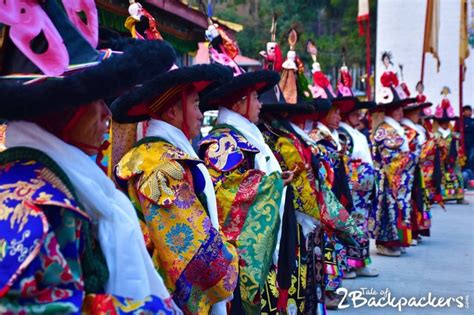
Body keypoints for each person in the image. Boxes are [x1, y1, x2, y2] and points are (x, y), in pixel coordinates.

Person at [0, 1, 179, 313]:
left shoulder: (62, 186)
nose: (107, 114)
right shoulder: (36, 207)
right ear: (62, 111)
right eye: (95, 99)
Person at [112, 64, 240, 314]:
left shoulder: (167, 155)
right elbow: (191, 249)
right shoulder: (159, 165)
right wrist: (230, 258)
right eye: (195, 105)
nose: (201, 114)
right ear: (172, 111)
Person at [198, 23, 292, 314]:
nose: (260, 104)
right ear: (239, 103)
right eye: (255, 97)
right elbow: (226, 197)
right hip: (239, 256)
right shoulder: (222, 142)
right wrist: (273, 182)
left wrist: (276, 180)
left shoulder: (244, 137)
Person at [370, 60, 417, 257]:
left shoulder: (394, 129)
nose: (400, 113)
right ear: (390, 111)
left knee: (397, 211)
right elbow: (390, 158)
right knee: (388, 212)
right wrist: (411, 158)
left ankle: (397, 241)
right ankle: (386, 243)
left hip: (397, 179)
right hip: (388, 179)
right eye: (397, 110)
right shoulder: (384, 130)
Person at [339, 96, 379, 277]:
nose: (358, 117)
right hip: (353, 189)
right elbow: (343, 162)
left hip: (363, 191)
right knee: (349, 226)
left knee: (360, 227)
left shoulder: (356, 133)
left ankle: (360, 262)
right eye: (355, 114)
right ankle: (347, 264)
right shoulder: (343, 134)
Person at [401, 102, 434, 244]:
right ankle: (412, 230)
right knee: (412, 198)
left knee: (418, 197)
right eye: (416, 113)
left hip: (418, 168)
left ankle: (418, 229)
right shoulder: (406, 129)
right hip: (409, 168)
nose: (418, 116)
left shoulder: (417, 128)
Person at [433, 98, 466, 203]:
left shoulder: (454, 135)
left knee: (458, 175)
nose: (446, 124)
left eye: (447, 122)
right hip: (440, 159)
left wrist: (458, 154)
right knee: (441, 176)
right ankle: (443, 196)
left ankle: (459, 196)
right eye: (444, 122)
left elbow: (459, 146)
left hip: (453, 157)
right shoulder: (436, 135)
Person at [462, 105, 474, 188]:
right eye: (467, 110)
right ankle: (466, 181)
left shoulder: (473, 121)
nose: (469, 112)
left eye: (470, 110)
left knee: (471, 159)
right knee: (464, 161)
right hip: (463, 145)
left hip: (472, 144)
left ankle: (471, 180)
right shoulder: (460, 121)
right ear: (464, 112)